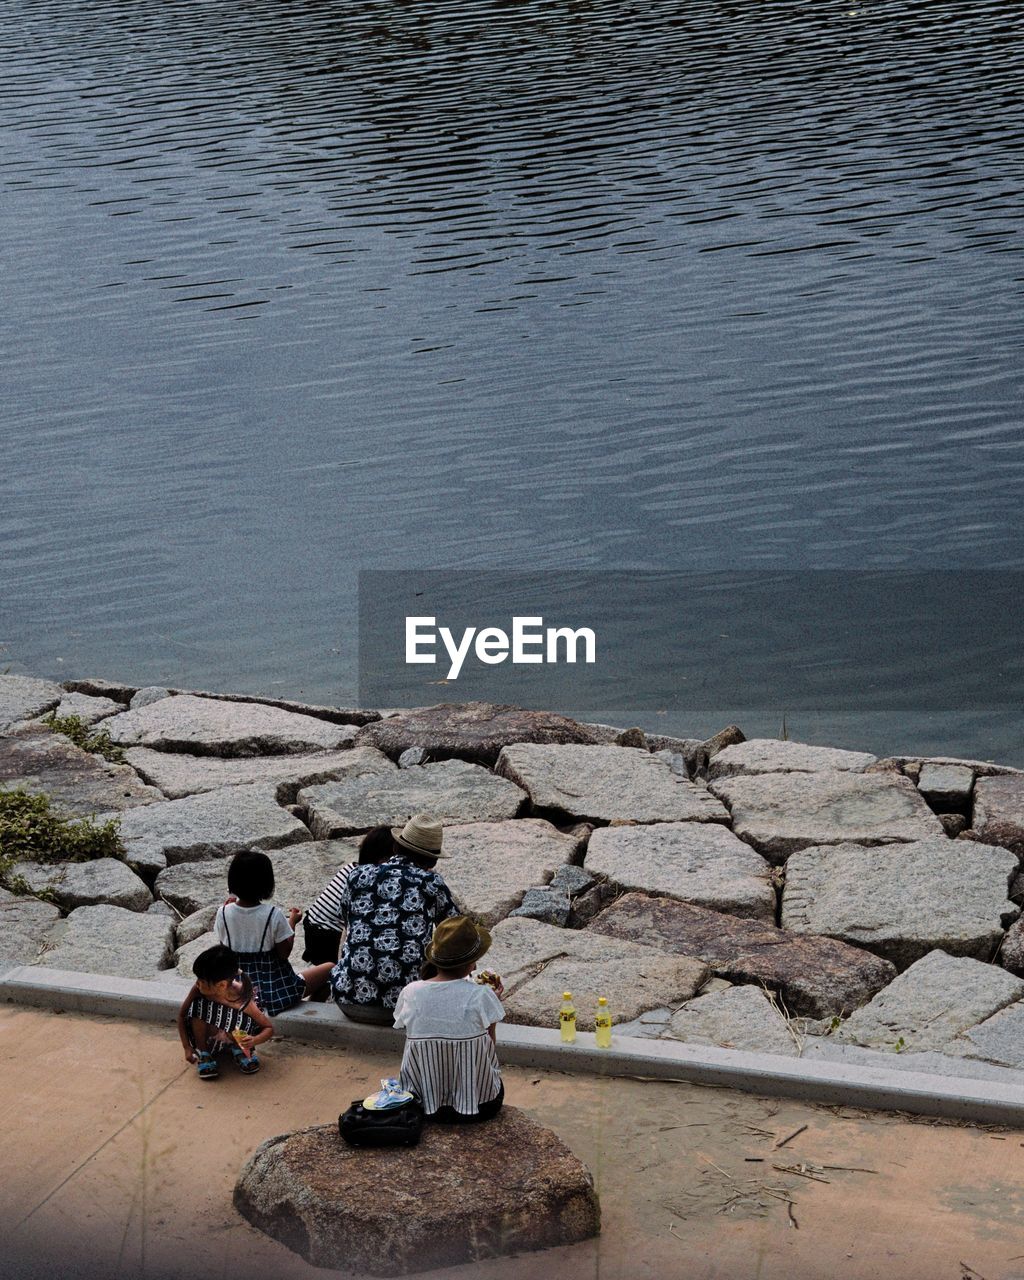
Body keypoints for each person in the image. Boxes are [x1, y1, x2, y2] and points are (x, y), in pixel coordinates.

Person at [330, 813, 460, 1024]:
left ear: (396, 847)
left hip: (348, 1000)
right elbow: (456, 933)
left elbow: (346, 921)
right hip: (406, 1007)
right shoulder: (431, 883)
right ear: (433, 860)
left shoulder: (358, 875)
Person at [392, 916, 505, 1123]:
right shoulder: (481, 995)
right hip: (481, 1105)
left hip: (422, 1104)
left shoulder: (411, 993)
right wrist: (492, 1009)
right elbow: (490, 1049)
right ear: (472, 964)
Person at [214, 849, 334, 1015]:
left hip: (237, 990)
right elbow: (284, 953)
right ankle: (312, 1008)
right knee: (331, 967)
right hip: (274, 992)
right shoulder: (272, 914)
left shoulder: (223, 913)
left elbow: (225, 948)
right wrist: (292, 922)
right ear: (266, 884)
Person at [176, 943, 274, 1081]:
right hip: (211, 1038)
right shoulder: (198, 991)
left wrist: (254, 1040)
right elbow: (182, 1015)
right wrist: (186, 1047)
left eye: (201, 980)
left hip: (236, 1037)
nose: (197, 983)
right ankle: (204, 1053)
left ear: (221, 985)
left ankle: (239, 1050)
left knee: (239, 1016)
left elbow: (268, 1027)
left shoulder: (241, 997)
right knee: (197, 1007)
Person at [302, 825, 394, 966]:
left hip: (312, 929)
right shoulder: (367, 881)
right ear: (383, 859)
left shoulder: (351, 868)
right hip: (327, 939)